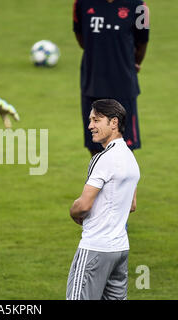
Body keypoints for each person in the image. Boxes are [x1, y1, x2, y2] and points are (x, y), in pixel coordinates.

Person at [66, 99, 140, 300]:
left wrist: (73, 211)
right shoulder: (130, 158)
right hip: (120, 250)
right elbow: (131, 206)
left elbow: (83, 205)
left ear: (114, 123)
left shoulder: (102, 159)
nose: (90, 126)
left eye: (96, 120)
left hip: (95, 249)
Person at [73, 0, 150, 156]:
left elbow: (142, 42)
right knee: (95, 146)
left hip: (123, 87)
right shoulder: (81, 3)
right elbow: (82, 38)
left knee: (125, 149)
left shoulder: (139, 5)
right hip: (92, 85)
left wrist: (130, 64)